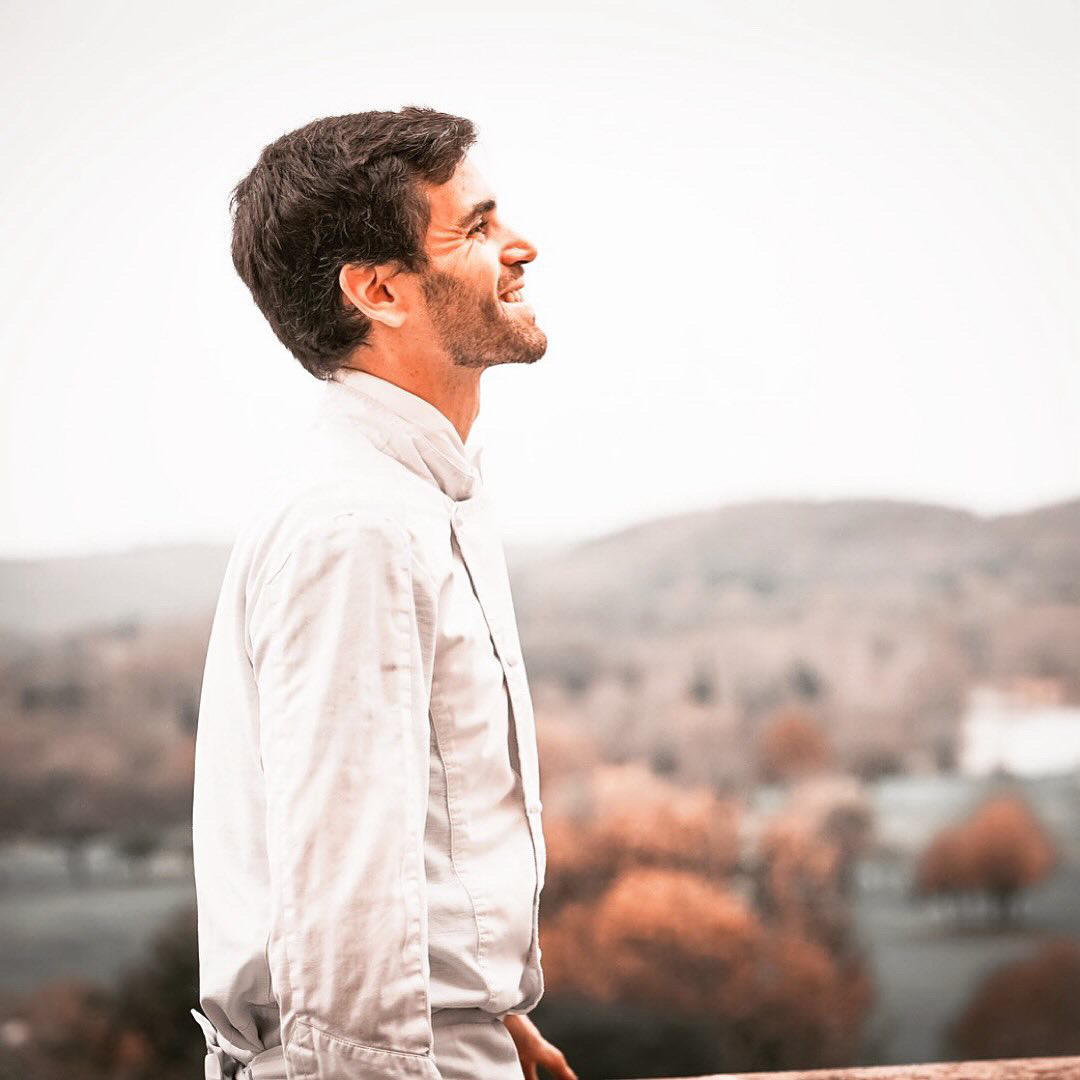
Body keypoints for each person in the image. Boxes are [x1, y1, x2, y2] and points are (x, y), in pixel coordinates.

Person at [190, 107, 577, 1080]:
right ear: (377, 290)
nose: (521, 245)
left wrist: (488, 1025)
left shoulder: (417, 494)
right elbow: (346, 902)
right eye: (476, 227)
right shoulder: (355, 525)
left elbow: (418, 839)